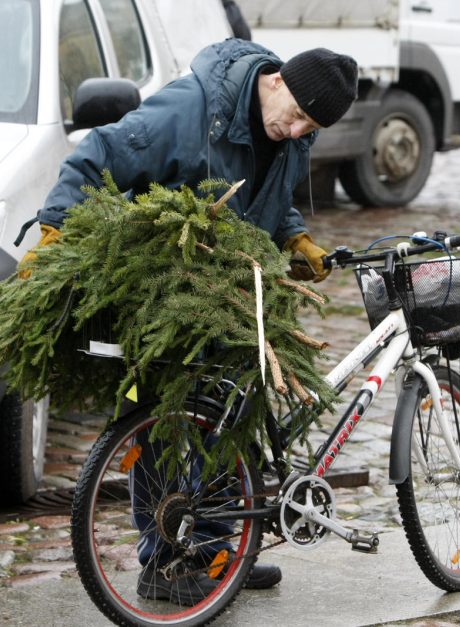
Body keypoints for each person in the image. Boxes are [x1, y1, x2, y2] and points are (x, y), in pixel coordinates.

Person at [22, 39, 358, 603]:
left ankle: (222, 550)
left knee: (234, 415)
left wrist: (292, 233)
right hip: (163, 289)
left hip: (227, 291)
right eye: (297, 116)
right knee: (163, 422)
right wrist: (55, 228)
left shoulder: (292, 127)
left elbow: (270, 187)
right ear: (274, 81)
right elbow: (99, 152)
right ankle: (163, 561)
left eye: (311, 127)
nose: (299, 132)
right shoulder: (191, 109)